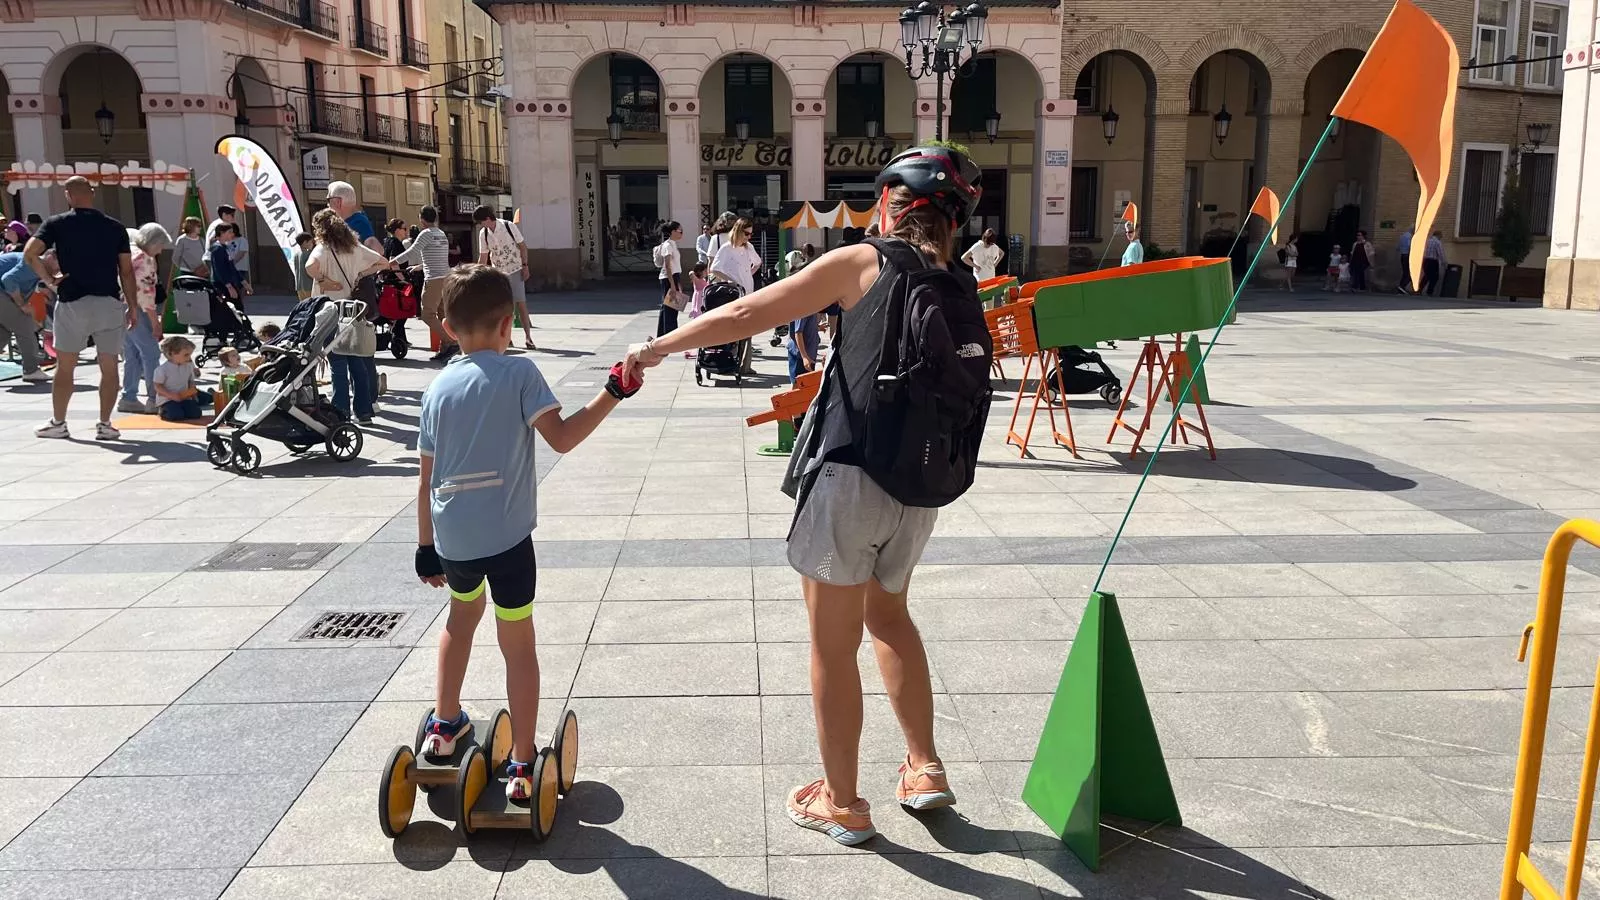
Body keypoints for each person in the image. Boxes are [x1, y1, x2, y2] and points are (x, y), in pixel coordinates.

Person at [624, 146, 987, 846]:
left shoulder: (864, 263)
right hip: (922, 483)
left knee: (832, 643)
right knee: (892, 620)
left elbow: (746, 315)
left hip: (851, 476)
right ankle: (924, 767)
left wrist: (660, 348)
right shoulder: (959, 280)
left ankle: (843, 803)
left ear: (891, 204)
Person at [412, 263, 640, 801]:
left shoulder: (436, 389)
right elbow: (561, 439)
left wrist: (426, 550)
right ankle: (521, 762)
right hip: (509, 541)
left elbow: (424, 480)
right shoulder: (519, 375)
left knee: (460, 621)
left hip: (454, 541)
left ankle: (444, 728)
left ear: (447, 328)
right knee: (517, 645)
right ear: (507, 324)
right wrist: (612, 392)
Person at [24, 176, 138, 441]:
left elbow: (30, 253)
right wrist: (132, 306)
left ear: (68, 195)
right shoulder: (114, 226)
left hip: (72, 301)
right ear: (92, 193)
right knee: (109, 367)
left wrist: (49, 279)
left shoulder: (57, 223)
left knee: (66, 366)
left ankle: (59, 422)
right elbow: (127, 271)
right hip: (108, 302)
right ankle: (105, 424)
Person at [305, 208, 389, 424]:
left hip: (331, 310)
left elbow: (310, 266)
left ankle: (340, 410)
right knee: (358, 361)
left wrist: (325, 281)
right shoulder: (354, 246)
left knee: (337, 364)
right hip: (354, 309)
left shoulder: (323, 248)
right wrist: (360, 274)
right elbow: (383, 262)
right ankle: (363, 411)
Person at [118, 223, 171, 414]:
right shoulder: (145, 259)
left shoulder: (128, 252)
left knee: (131, 354)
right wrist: (155, 322)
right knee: (150, 354)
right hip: (137, 309)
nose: (161, 250)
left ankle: (129, 396)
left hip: (120, 306)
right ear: (152, 242)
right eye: (160, 246)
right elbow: (146, 294)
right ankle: (153, 398)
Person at [390, 205, 454, 361]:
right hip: (445, 277)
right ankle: (445, 349)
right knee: (442, 314)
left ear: (422, 218)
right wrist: (419, 267)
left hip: (433, 279)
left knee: (427, 315)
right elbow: (437, 258)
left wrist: (392, 262)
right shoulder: (441, 234)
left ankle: (450, 342)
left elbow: (412, 251)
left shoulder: (425, 233)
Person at [474, 205, 536, 350]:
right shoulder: (483, 234)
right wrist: (477, 273)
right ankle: (507, 338)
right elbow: (483, 256)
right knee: (503, 307)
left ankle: (528, 338)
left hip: (515, 268)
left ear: (488, 219)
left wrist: (525, 265)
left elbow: (522, 246)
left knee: (521, 304)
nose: (480, 225)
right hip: (499, 272)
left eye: (481, 222)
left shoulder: (509, 226)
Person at [0, 250, 51, 382]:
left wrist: (39, 329)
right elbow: (8, 279)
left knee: (4, 332)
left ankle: (31, 369)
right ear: (51, 257)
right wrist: (22, 305)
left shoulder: (34, 266)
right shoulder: (33, 263)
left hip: (4, 294)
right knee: (24, 327)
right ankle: (31, 370)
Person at [153, 335, 209, 421]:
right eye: (186, 355)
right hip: (167, 399)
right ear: (171, 354)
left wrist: (192, 392)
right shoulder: (162, 369)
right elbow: (158, 386)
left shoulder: (188, 366)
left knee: (195, 413)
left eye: (190, 355)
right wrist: (171, 395)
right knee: (176, 415)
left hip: (184, 397)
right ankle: (163, 411)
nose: (189, 358)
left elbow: (190, 381)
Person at [325, 181, 384, 254]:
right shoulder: (356, 219)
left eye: (328, 200)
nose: (328, 205)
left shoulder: (358, 221)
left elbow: (375, 247)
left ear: (338, 202)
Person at [711, 216, 762, 295]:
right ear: (738, 231)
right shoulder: (726, 248)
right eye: (746, 234)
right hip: (732, 292)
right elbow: (714, 269)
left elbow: (758, 263)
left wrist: (748, 274)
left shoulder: (749, 247)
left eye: (751, 234)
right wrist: (730, 281)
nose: (749, 237)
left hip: (748, 289)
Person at [655, 221, 685, 336]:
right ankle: (669, 333)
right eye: (680, 231)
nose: (682, 234)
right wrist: (672, 284)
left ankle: (663, 333)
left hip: (674, 276)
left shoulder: (673, 244)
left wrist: (677, 283)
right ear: (673, 232)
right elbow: (667, 265)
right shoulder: (667, 245)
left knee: (670, 306)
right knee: (670, 307)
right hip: (668, 277)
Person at [209, 224, 249, 304]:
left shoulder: (225, 247)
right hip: (222, 285)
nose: (232, 234)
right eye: (229, 232)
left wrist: (244, 282)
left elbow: (232, 267)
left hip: (230, 282)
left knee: (238, 309)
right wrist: (229, 286)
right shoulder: (217, 249)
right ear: (222, 233)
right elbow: (219, 269)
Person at [788, 307, 820, 385]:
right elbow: (798, 333)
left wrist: (818, 328)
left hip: (809, 355)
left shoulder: (812, 306)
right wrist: (804, 357)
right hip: (801, 356)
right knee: (798, 385)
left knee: (807, 386)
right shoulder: (805, 308)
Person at [290, 232, 315, 301]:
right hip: (309, 285)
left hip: (299, 286)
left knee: (303, 306)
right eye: (311, 242)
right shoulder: (309, 254)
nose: (312, 244)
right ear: (305, 242)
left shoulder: (296, 255)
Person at [1420, 230, 1445, 296]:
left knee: (1427, 276)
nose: (1442, 237)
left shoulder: (1428, 241)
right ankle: (1429, 292)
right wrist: (1443, 262)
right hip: (1433, 262)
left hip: (1426, 260)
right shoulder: (1437, 242)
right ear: (1438, 235)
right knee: (1435, 277)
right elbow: (1440, 253)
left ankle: (1419, 289)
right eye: (1441, 235)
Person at [1396, 228, 1414, 293]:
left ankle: (1400, 288)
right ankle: (1402, 286)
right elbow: (1410, 246)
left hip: (1403, 256)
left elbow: (1397, 247)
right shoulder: (1410, 237)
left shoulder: (1402, 236)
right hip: (1407, 256)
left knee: (1405, 272)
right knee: (1410, 274)